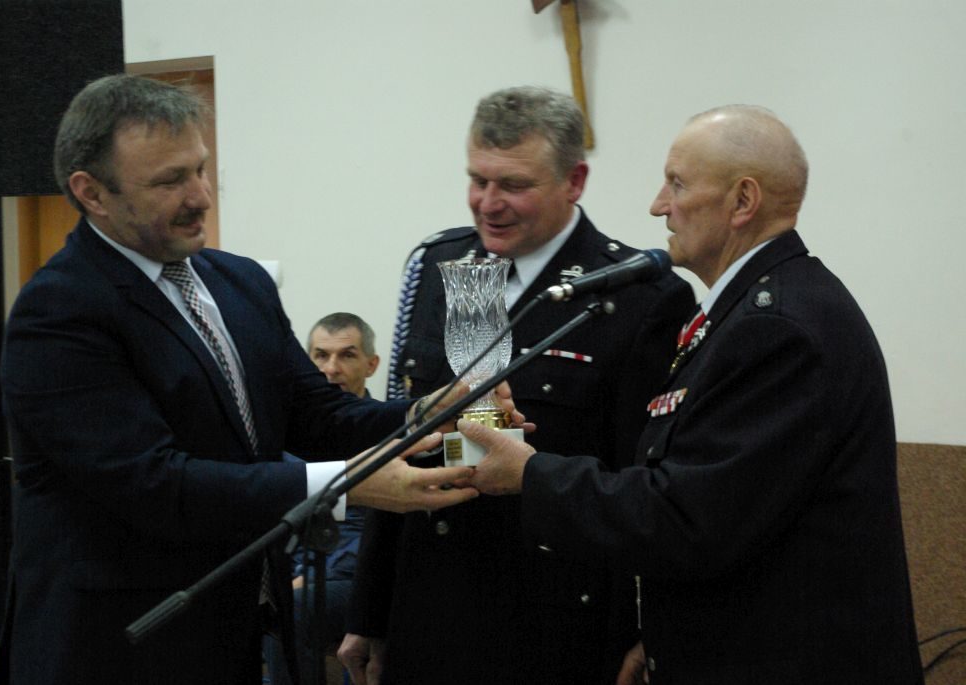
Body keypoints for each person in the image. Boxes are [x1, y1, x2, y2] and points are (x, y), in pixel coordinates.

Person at [0, 74, 521, 685]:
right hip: (116, 648)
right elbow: (153, 484)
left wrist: (424, 414)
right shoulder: (59, 311)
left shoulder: (237, 281)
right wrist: (346, 485)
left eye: (201, 169)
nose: (200, 196)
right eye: (169, 181)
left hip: (231, 630)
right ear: (91, 193)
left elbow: (316, 415)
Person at [462, 105, 925, 684]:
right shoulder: (754, 309)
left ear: (742, 201)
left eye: (677, 184)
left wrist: (530, 474)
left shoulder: (777, 327)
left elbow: (688, 518)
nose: (658, 205)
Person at [340, 86, 695, 685]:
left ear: (574, 181)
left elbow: (644, 486)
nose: (489, 203)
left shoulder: (637, 295)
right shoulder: (447, 267)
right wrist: (369, 610)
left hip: (555, 614)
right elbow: (406, 443)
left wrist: (643, 628)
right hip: (432, 604)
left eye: (514, 185)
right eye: (477, 180)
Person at [265, 313, 381, 685]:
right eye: (320, 356)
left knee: (293, 607)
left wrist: (306, 580)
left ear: (371, 364)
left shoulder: (385, 435)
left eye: (347, 355)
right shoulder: (287, 436)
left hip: (359, 580)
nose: (331, 368)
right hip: (292, 573)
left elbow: (373, 536)